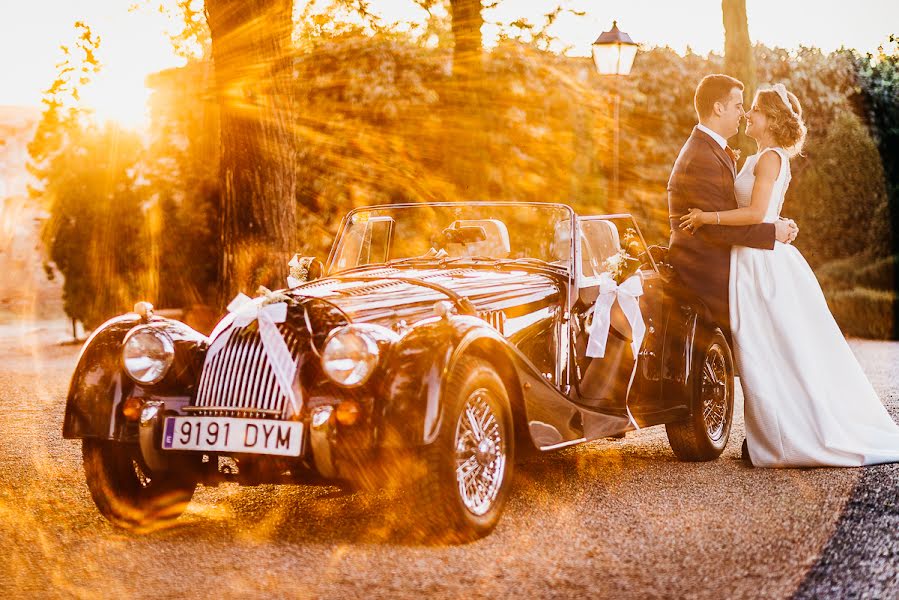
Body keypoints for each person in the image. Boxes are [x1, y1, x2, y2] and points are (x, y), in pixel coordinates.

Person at [679, 83, 899, 467]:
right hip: (751, 257)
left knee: (769, 349)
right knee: (762, 349)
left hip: (761, 263)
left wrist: (705, 217)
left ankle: (788, 435)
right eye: (744, 109)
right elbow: (760, 211)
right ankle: (771, 433)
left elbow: (751, 214)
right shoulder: (760, 156)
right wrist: (776, 221)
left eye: (756, 112)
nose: (748, 115)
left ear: (772, 120)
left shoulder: (769, 159)